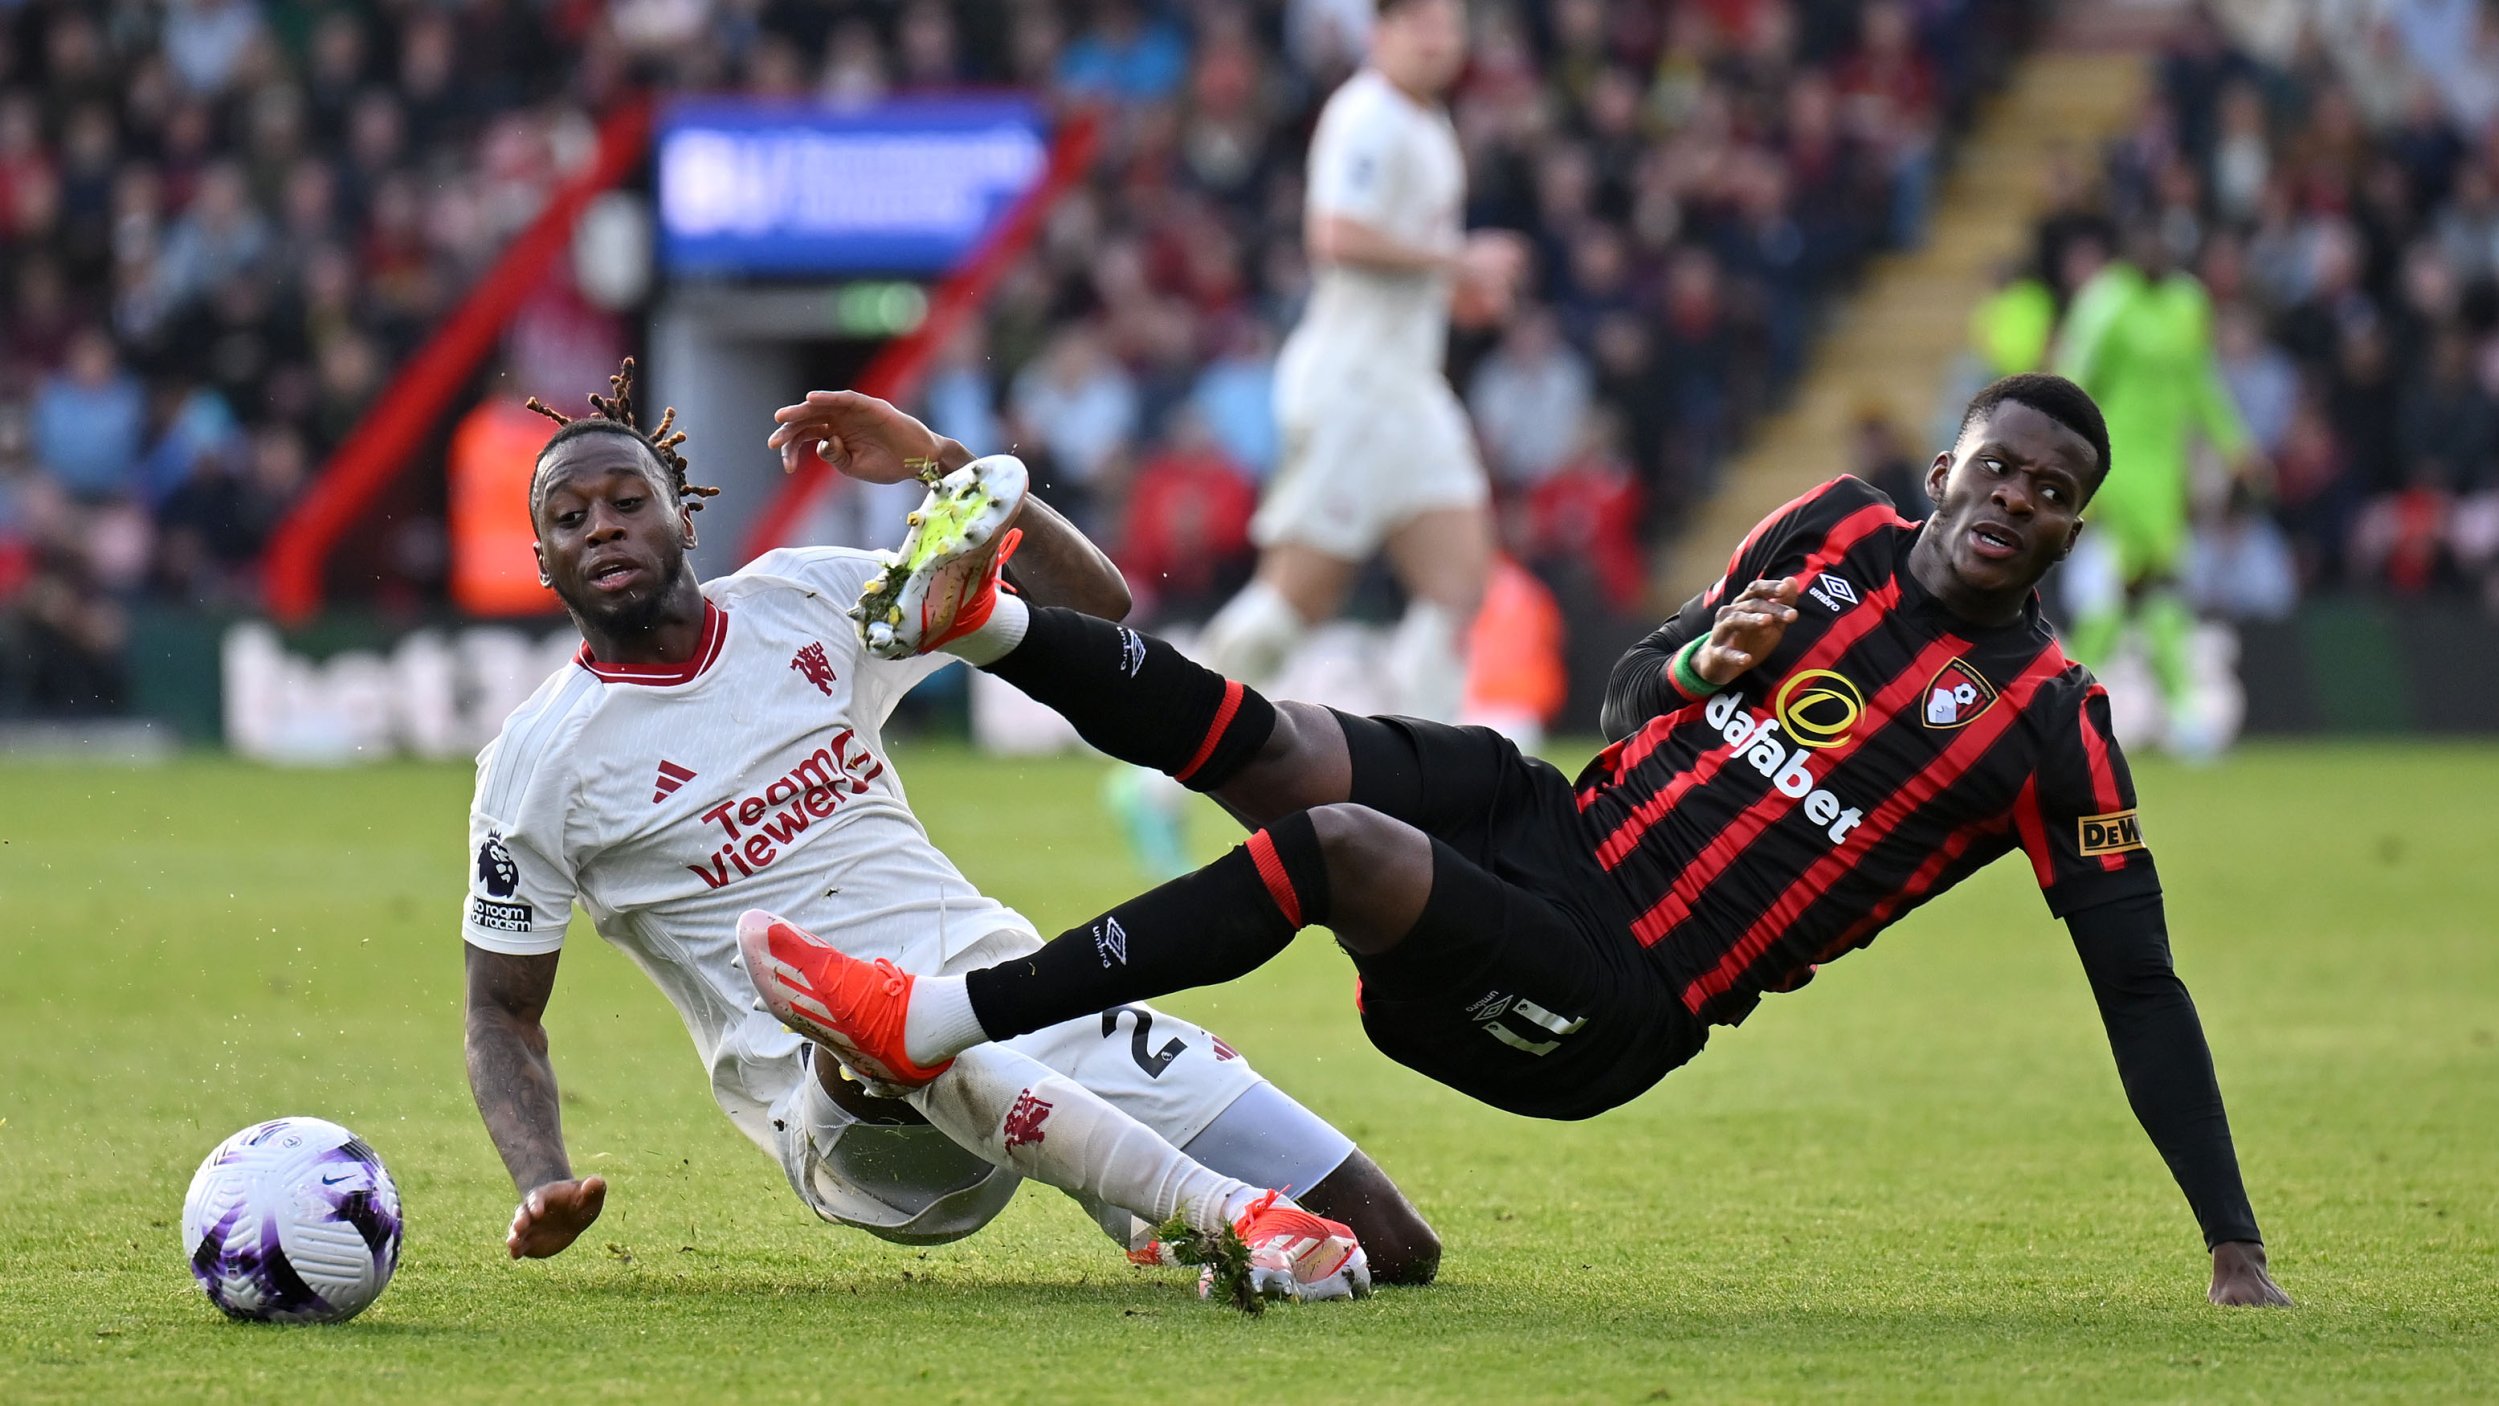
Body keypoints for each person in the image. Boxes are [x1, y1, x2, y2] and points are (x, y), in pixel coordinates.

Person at [753, 373, 2293, 1309]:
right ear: (1943, 467)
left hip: (1620, 989)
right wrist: (1702, 662)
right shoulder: (1824, 530)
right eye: (1995, 468)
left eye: (2047, 493)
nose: (2010, 501)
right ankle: (989, 612)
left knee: (1335, 844)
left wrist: (2230, 1245)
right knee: (1284, 746)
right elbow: (1631, 692)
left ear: (2069, 529)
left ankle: (935, 1017)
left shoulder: (2047, 723)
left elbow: (2136, 984)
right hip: (1557, 819)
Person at [461, 360, 1438, 1306]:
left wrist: (951, 466)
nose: (602, 526)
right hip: (840, 1108)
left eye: (627, 499)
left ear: (682, 508)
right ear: (542, 559)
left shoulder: (803, 596)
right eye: (568, 516)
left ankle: (1145, 1192)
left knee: (1394, 1247)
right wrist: (539, 1174)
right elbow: (501, 1012)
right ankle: (1220, 1211)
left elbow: (1091, 614)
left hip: (1010, 989)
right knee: (878, 1032)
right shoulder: (539, 763)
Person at [1106, 0, 1526, 874]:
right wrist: (1457, 264)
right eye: (1422, 26)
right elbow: (1336, 235)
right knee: (1297, 597)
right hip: (1349, 393)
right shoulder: (1365, 114)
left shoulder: (1428, 120)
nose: (1440, 41)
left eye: (1450, 27)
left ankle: (1429, 806)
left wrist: (1454, 291)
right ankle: (1148, 777)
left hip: (1408, 391)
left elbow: (1395, 259)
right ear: (1382, 33)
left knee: (1457, 588)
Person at [2054, 219, 2264, 754]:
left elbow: (2200, 382)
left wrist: (2235, 445)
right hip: (2116, 468)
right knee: (2150, 585)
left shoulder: (2188, 303)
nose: (2154, 249)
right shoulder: (2105, 302)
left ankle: (2064, 703)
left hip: (2167, 475)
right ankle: (2175, 714)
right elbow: (2071, 384)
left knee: (2140, 594)